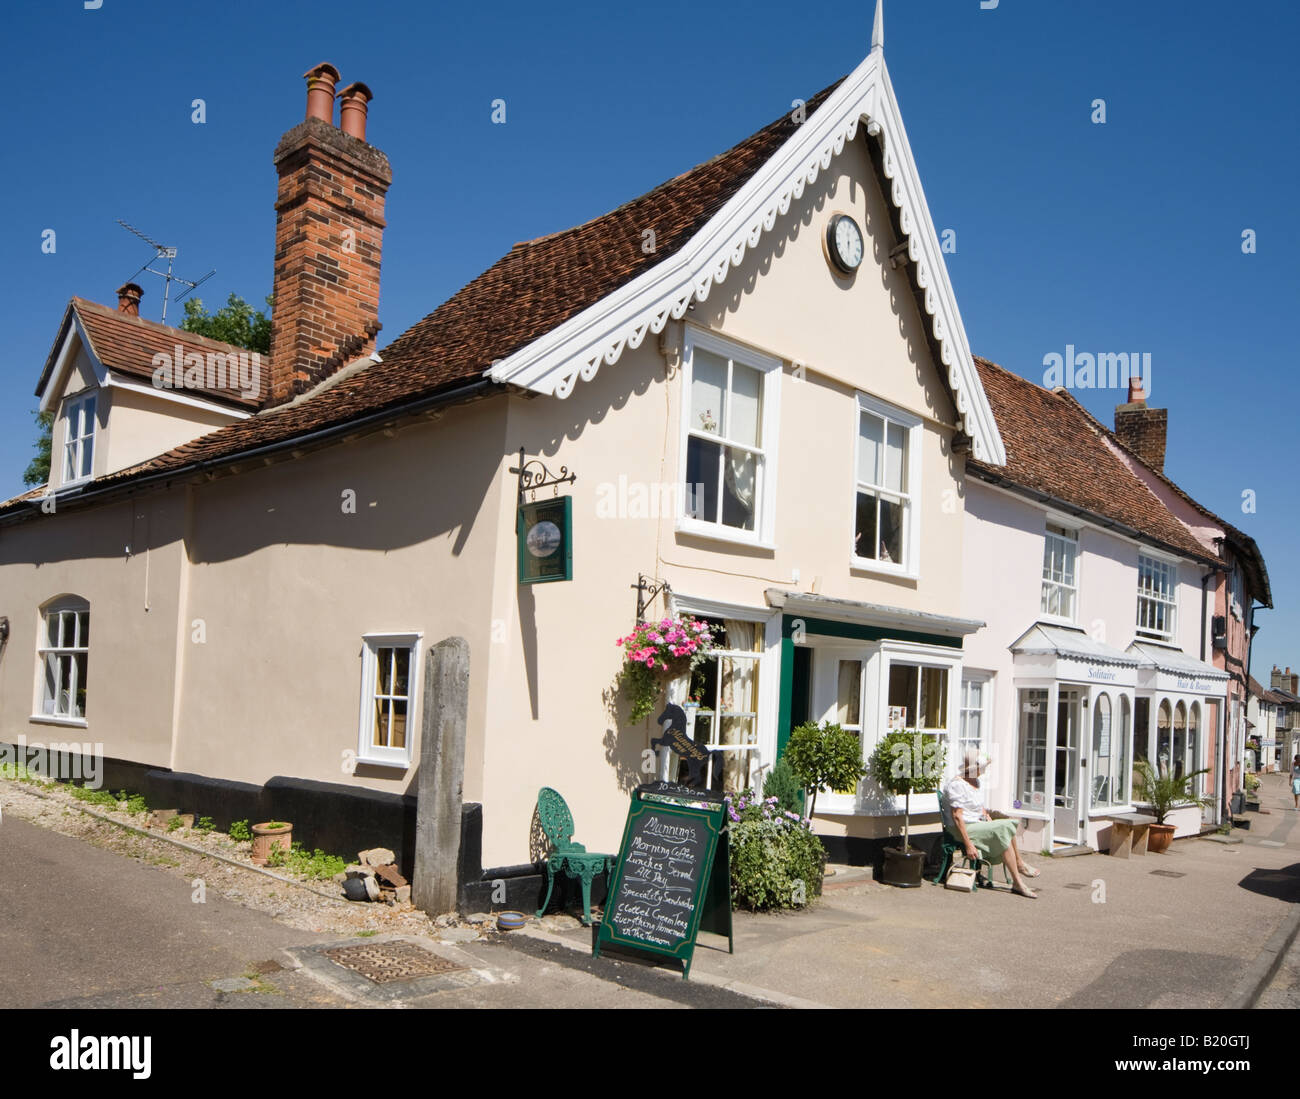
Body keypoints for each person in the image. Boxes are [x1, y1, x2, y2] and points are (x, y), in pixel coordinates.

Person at [944, 748, 1039, 899]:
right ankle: (1018, 875)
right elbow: (957, 817)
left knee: (1006, 826)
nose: (985, 770)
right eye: (984, 767)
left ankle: (1018, 876)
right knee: (1004, 828)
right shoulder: (957, 784)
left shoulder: (976, 781)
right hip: (961, 828)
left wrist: (986, 815)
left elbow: (978, 806)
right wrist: (968, 844)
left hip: (976, 823)